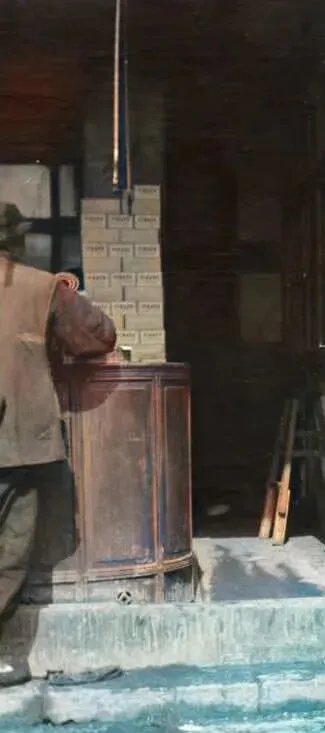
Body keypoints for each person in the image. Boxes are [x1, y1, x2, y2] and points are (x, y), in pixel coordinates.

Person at [0, 202, 117, 687]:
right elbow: (98, 337)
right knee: (9, 549)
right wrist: (63, 290)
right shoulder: (41, 287)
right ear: (15, 240)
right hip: (16, 440)